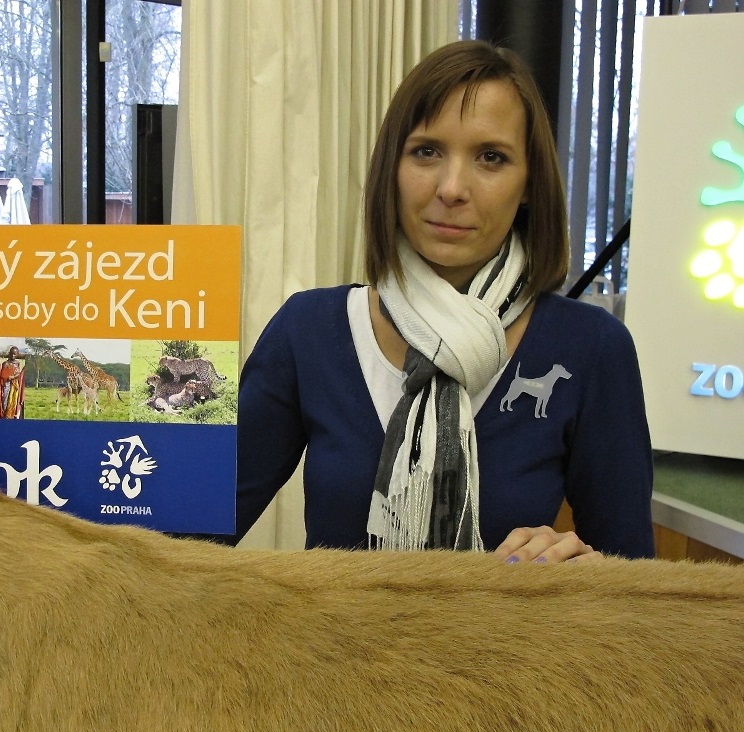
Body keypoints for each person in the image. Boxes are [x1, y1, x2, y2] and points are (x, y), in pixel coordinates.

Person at [233, 40, 654, 561]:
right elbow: (191, 531)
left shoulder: (591, 347)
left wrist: (584, 576)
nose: (452, 187)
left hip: (505, 643)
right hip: (334, 642)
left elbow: (635, 579)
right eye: (427, 151)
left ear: (528, 184)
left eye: (491, 157)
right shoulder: (309, 331)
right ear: (392, 166)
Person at [0, 346, 25, 419]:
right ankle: (5, 415)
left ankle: (11, 416)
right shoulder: (5, 364)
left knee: (13, 400)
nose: (13, 356)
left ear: (17, 354)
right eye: (12, 354)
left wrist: (13, 377)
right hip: (6, 385)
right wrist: (8, 377)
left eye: (15, 354)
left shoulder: (17, 363)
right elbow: (2, 375)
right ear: (9, 354)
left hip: (14, 385)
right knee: (5, 400)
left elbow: (18, 373)